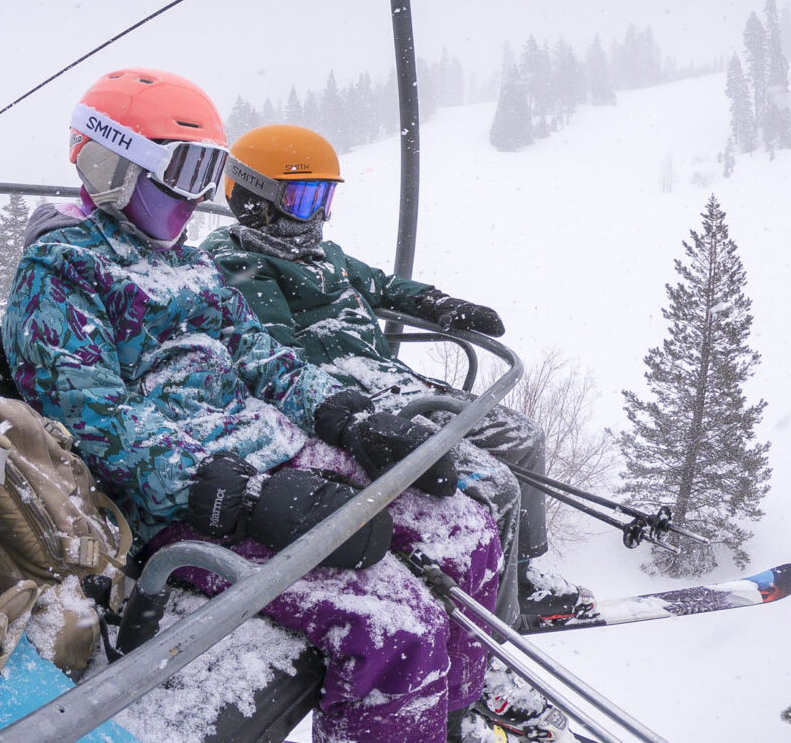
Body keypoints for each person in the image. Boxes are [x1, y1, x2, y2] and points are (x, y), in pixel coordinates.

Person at [1, 68, 505, 743]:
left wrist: (347, 416)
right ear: (111, 162)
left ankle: (454, 721)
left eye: (209, 173)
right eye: (184, 170)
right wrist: (233, 494)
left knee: (464, 529)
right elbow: (96, 422)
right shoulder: (61, 272)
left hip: (274, 449)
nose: (197, 196)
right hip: (180, 503)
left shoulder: (189, 263)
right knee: (395, 622)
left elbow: (260, 354)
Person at [200, 124, 590, 729]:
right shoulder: (241, 263)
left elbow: (383, 284)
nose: (317, 215)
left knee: (521, 440)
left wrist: (438, 303)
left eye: (325, 198)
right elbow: (277, 356)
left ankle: (524, 571)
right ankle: (490, 645)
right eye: (303, 199)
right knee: (491, 487)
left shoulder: (323, 255)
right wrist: (353, 407)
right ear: (255, 198)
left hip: (397, 380)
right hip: (360, 400)